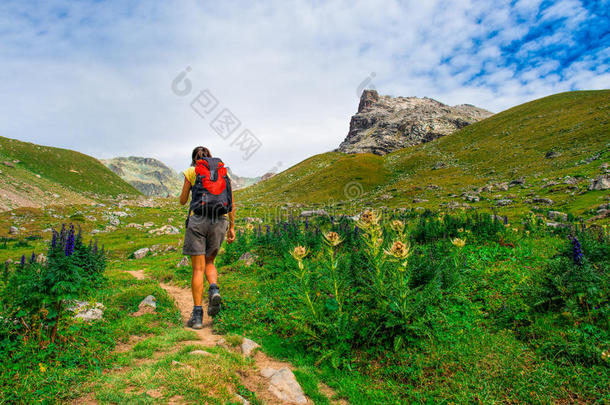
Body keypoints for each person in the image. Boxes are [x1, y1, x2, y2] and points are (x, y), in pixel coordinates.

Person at [179, 146, 236, 329]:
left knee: (197, 269)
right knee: (210, 262)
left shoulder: (191, 171)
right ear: (210, 157)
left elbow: (182, 200)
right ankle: (213, 288)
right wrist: (232, 227)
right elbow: (231, 203)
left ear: (194, 159)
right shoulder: (222, 172)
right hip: (219, 222)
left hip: (198, 221)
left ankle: (197, 317)